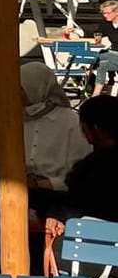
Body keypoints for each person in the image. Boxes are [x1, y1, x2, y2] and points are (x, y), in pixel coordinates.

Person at [35, 95, 118, 226]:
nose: (82, 132)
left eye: (83, 126)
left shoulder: (97, 165)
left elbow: (82, 201)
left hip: (92, 229)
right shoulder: (97, 160)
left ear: (95, 128)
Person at [20, 62, 88, 191]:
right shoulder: (16, 120)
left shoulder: (71, 122)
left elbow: (80, 174)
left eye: (22, 89)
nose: (17, 94)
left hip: (58, 196)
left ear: (35, 88)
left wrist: (40, 184)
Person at [86, 1, 118, 95]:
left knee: (102, 55)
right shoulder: (106, 24)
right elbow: (96, 33)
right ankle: (95, 95)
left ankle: (90, 67)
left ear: (116, 12)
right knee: (102, 65)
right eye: (103, 13)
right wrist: (76, 31)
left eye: (107, 13)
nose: (105, 15)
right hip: (113, 56)